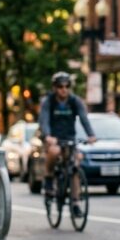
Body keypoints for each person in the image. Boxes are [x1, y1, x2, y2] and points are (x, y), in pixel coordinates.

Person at [39, 71, 97, 216]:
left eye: (67, 86)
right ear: (54, 87)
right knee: (54, 151)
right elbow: (44, 120)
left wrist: (91, 135)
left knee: (75, 164)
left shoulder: (75, 101)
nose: (64, 89)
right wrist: (47, 135)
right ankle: (48, 178)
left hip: (70, 138)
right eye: (60, 86)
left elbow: (84, 118)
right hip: (54, 138)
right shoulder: (49, 102)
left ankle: (75, 202)